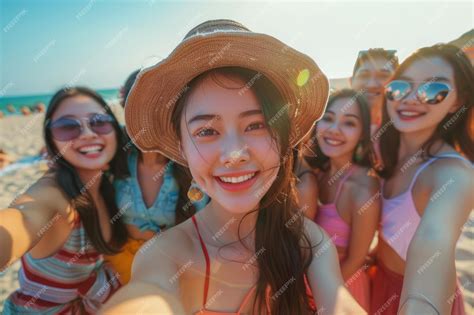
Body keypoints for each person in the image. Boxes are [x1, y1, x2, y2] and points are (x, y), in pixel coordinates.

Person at [101, 19, 366, 314]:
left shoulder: (308, 241)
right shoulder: (166, 255)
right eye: (206, 131)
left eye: (256, 125)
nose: (234, 154)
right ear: (182, 148)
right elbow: (146, 299)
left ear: (281, 136)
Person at [0, 87, 129, 313]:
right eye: (68, 126)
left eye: (99, 121)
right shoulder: (53, 195)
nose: (88, 133)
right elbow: (24, 217)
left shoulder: (110, 186)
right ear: (50, 140)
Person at [372, 44, 473, 315]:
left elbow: (434, 241)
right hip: (376, 281)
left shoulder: (453, 174)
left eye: (433, 90)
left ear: (458, 102)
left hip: (410, 295)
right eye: (400, 87)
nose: (411, 98)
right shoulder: (381, 146)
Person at [104, 70, 208, 285]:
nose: (148, 117)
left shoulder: (193, 161)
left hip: (173, 266)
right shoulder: (117, 154)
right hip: (118, 265)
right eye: (137, 107)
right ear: (125, 110)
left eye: (159, 106)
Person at [303, 89, 380, 311]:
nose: (334, 129)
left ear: (362, 134)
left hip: (341, 289)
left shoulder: (363, 190)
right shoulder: (315, 172)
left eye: (349, 123)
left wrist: (313, 296)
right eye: (328, 118)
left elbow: (355, 261)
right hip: (309, 283)